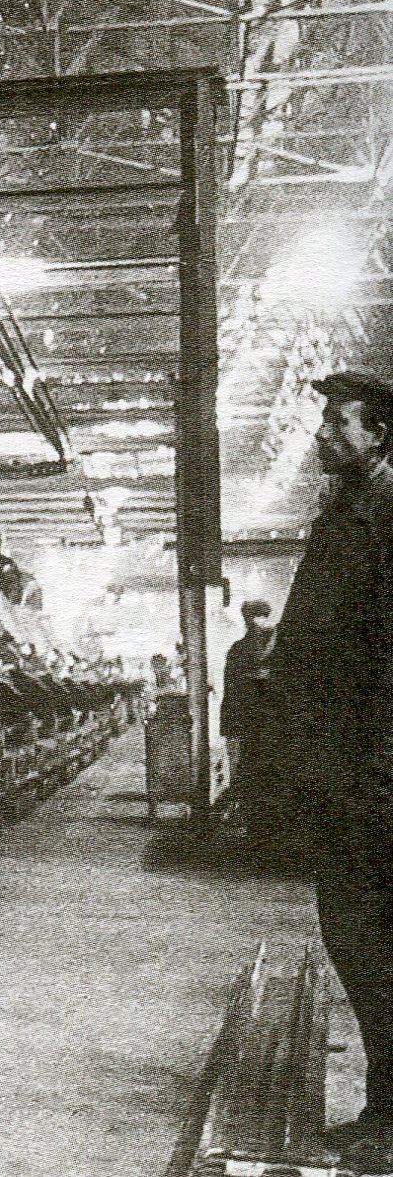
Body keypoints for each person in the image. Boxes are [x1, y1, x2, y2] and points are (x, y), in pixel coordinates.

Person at [266, 370, 393, 1171]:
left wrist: (377, 772)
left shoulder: (383, 514)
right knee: (356, 940)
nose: (321, 434)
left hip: (370, 771)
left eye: (337, 423)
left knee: (372, 941)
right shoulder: (348, 510)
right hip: (342, 767)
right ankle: (383, 1108)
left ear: (377, 433)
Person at [219, 600, 280, 830]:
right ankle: (247, 817)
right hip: (245, 721)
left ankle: (247, 817)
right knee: (247, 771)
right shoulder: (245, 650)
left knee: (246, 772)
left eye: (263, 618)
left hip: (245, 721)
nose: (261, 624)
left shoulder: (241, 649)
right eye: (258, 619)